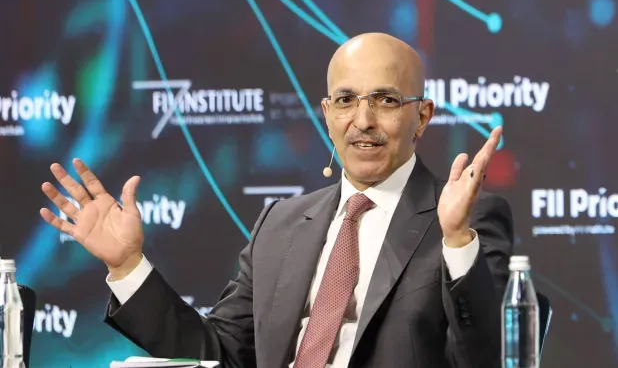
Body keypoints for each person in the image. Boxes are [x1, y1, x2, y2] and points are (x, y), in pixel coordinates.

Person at [40, 33, 513, 368]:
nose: (363, 120)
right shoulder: (280, 223)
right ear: (326, 113)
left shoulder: (466, 221)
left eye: (386, 100)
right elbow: (221, 354)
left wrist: (456, 240)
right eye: (346, 100)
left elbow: (486, 357)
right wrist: (127, 266)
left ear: (422, 116)